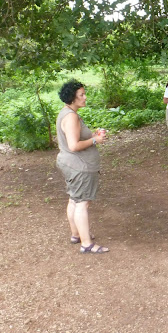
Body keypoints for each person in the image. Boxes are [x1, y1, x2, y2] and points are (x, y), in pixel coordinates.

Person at [56, 80, 109, 254]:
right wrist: (95, 140)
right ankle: (86, 244)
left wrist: (92, 135)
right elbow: (73, 145)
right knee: (82, 204)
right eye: (81, 95)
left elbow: (75, 138)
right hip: (79, 167)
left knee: (74, 199)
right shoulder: (71, 116)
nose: (85, 97)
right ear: (72, 98)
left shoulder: (66, 112)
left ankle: (76, 234)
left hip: (70, 164)